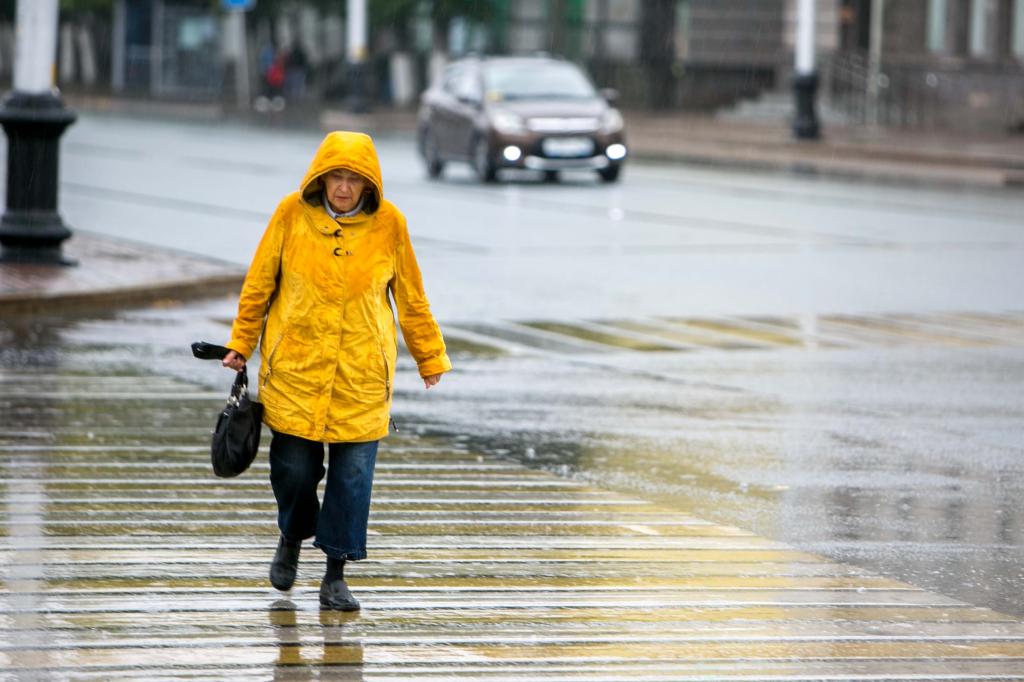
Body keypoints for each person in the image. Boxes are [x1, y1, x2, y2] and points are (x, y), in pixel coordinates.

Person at [221, 131, 452, 611]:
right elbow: (259, 283)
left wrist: (429, 356)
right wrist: (240, 343)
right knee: (295, 471)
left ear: (369, 186)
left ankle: (334, 573)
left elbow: (411, 296)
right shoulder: (290, 214)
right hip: (298, 371)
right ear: (320, 178)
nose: (343, 188)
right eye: (336, 177)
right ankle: (290, 535)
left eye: (354, 180)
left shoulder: (391, 225)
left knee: (352, 481)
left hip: (362, 375)